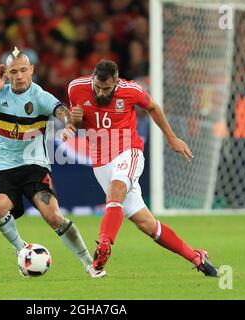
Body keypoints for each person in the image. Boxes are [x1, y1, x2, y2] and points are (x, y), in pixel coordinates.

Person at [63, 59, 218, 277]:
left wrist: (172, 139)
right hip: (100, 161)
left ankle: (103, 248)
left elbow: (153, 107)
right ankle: (196, 257)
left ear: (116, 82)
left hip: (129, 151)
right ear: (93, 78)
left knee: (116, 191)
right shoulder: (76, 88)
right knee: (147, 224)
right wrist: (73, 121)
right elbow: (75, 122)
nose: (100, 92)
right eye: (97, 86)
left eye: (106, 88)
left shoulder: (131, 90)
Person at [0, 48, 104, 278]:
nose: (19, 76)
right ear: (6, 74)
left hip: (34, 166)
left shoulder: (40, 96)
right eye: (13, 72)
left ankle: (90, 263)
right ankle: (22, 250)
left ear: (32, 70)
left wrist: (70, 121)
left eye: (23, 70)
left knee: (53, 217)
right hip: (2, 166)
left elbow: (61, 111)